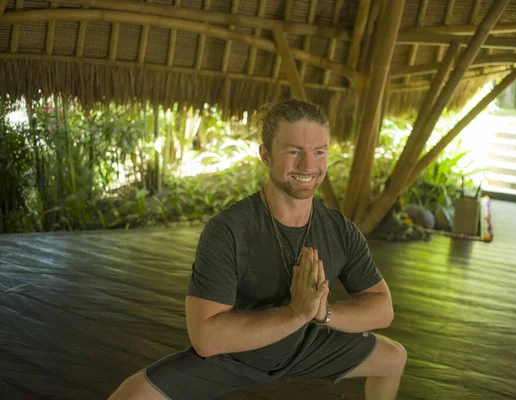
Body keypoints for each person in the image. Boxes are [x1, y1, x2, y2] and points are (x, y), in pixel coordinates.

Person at [108, 99, 407, 400]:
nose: (308, 165)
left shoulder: (340, 230)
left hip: (306, 344)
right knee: (131, 396)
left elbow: (382, 309)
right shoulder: (228, 230)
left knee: (393, 358)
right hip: (236, 356)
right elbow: (206, 339)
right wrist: (296, 313)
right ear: (265, 154)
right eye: (294, 152)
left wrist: (322, 313)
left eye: (318, 152)